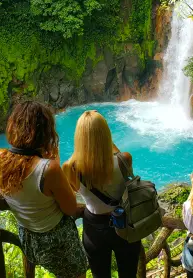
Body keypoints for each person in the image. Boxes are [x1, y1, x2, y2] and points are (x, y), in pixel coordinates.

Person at [0, 101, 87, 278]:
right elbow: (70, 209)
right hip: (57, 241)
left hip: (28, 238)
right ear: (44, 132)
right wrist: (54, 160)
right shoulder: (48, 168)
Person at [62, 110, 141, 278]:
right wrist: (105, 141)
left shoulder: (70, 167)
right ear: (106, 134)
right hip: (124, 222)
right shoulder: (124, 159)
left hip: (94, 228)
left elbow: (73, 191)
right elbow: (128, 176)